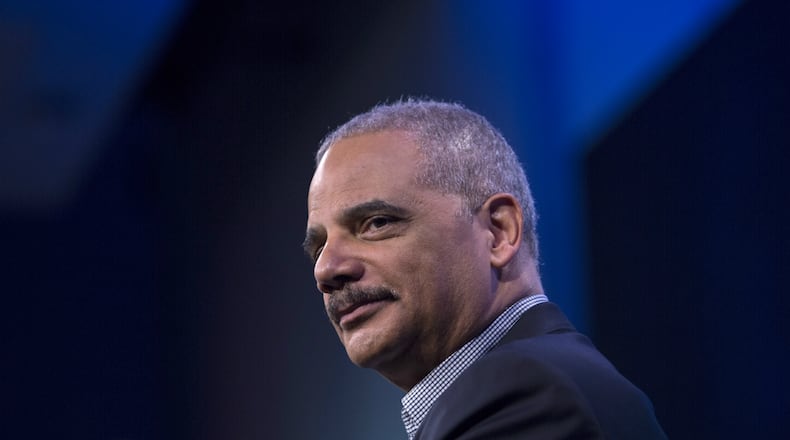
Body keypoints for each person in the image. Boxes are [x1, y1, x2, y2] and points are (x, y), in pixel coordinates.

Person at [304, 99, 667, 439]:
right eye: (318, 247)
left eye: (377, 223)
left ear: (498, 232)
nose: (326, 269)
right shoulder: (532, 384)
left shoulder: (527, 394)